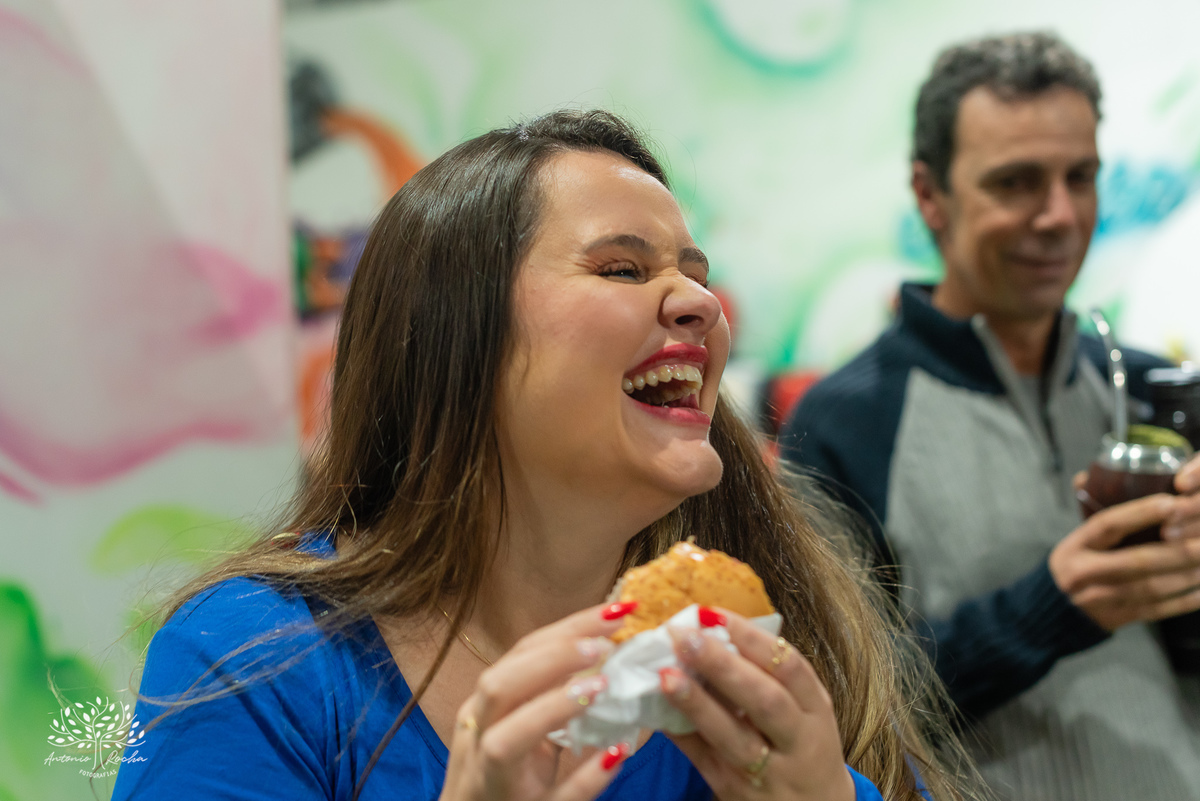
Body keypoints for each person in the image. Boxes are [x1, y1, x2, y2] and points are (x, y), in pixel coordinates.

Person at [111, 110, 971, 801]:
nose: (700, 303)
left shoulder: (761, 643)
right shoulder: (254, 654)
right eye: (623, 269)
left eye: (696, 273)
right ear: (455, 340)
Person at [780, 32, 1200, 801]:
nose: (1061, 215)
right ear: (929, 193)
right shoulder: (842, 421)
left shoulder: (1155, 391)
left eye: (1082, 176)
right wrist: (1051, 607)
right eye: (1016, 183)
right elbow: (830, 698)